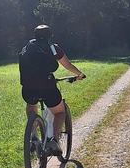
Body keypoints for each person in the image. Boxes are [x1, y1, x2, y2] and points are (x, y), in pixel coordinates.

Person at [20, 24, 85, 154]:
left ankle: (34, 135)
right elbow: (67, 65)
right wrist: (79, 74)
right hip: (47, 88)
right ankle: (54, 140)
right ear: (50, 36)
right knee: (59, 112)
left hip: (28, 88)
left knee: (32, 106)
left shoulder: (27, 48)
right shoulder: (53, 48)